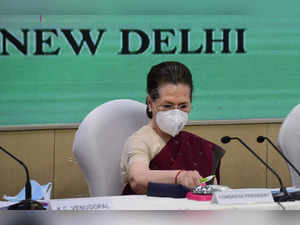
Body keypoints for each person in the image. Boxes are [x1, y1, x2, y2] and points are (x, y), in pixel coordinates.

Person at [120, 61, 225, 195]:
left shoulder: (198, 146)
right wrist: (179, 177)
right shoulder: (141, 141)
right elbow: (137, 179)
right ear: (150, 103)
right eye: (167, 106)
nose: (176, 113)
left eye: (183, 106)